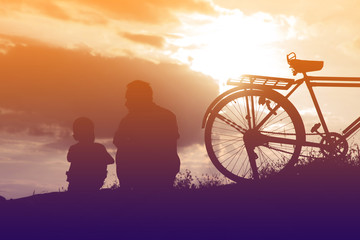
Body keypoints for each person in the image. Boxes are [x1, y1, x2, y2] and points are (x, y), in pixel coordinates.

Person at [113, 80, 180, 190]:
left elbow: (117, 141)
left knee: (122, 152)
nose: (126, 103)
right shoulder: (168, 115)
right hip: (166, 170)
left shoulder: (130, 119)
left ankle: (127, 193)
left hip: (144, 170)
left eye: (128, 98)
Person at [66, 117, 114, 192]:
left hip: (77, 182)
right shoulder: (99, 148)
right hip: (93, 182)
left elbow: (69, 159)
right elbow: (110, 160)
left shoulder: (74, 148)